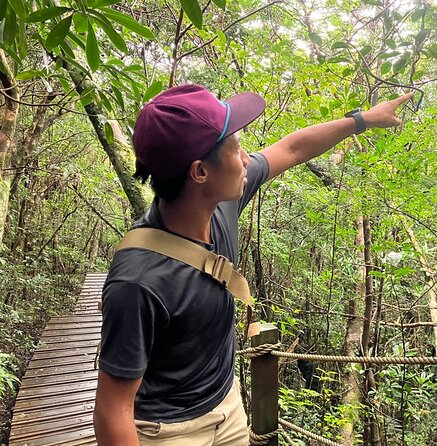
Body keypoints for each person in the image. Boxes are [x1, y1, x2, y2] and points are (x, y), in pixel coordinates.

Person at [93, 83, 412, 446]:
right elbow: (112, 410)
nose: (247, 159)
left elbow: (291, 148)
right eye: (237, 148)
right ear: (199, 172)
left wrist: (362, 120)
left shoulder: (220, 202)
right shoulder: (138, 283)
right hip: (168, 432)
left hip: (226, 406)